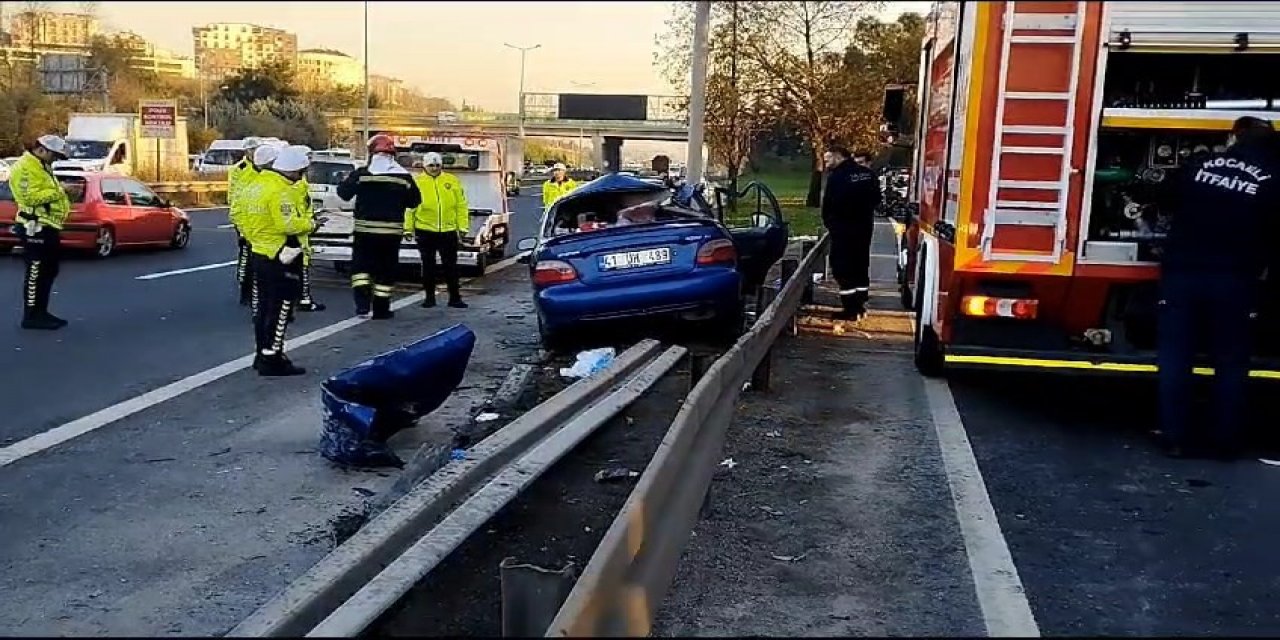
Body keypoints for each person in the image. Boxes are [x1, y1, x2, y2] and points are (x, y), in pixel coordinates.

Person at [1156, 116, 1280, 460]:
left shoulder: (1199, 164)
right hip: (1236, 279)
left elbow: (1163, 196)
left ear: (1234, 137)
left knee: (1176, 358)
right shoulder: (1274, 179)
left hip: (1183, 273)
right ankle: (1225, 443)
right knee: (1230, 362)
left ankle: (1175, 438)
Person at [241, 145, 316, 377]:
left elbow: (242, 218)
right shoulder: (279, 191)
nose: (302, 177)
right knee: (280, 307)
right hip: (280, 255)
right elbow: (288, 224)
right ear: (293, 171)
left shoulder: (254, 185)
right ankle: (272, 359)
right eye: (301, 172)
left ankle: (262, 354)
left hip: (259, 252)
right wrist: (312, 224)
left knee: (262, 308)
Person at [337, 134, 422, 319]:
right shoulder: (404, 177)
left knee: (361, 269)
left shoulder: (362, 174)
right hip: (391, 234)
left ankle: (362, 306)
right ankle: (381, 310)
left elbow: (343, 193)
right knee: (386, 271)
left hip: (364, 232)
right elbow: (415, 201)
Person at [11, 134, 71, 330]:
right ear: (42, 150)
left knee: (49, 271)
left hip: (48, 226)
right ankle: (31, 316)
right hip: (34, 227)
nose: (55, 160)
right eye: (55, 155)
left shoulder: (42, 167)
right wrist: (60, 191)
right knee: (36, 272)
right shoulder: (25, 167)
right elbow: (29, 197)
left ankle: (42, 312)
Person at [821, 145, 881, 320]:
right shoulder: (868, 174)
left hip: (843, 229)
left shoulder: (837, 177)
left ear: (839, 157)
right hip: (864, 228)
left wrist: (832, 223)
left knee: (842, 268)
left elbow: (830, 204)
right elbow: (876, 199)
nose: (826, 163)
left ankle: (850, 309)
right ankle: (861, 304)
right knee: (860, 265)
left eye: (828, 159)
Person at [406, 151, 469, 309]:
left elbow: (461, 205)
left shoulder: (451, 180)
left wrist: (462, 227)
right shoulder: (418, 182)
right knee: (428, 266)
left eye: (437, 165)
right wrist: (407, 229)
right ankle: (429, 298)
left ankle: (455, 298)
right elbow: (409, 208)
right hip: (425, 230)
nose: (434, 168)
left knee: (451, 266)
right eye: (431, 166)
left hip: (448, 230)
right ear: (424, 166)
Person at [235, 142, 284, 316]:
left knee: (260, 273)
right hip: (253, 230)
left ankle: (258, 305)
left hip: (261, 230)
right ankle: (248, 296)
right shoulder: (244, 173)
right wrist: (244, 231)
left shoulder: (275, 179)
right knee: (250, 265)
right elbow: (238, 202)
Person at [229, 137, 267, 306]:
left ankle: (258, 291)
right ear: (247, 152)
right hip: (244, 217)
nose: (254, 154)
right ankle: (245, 291)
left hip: (260, 217)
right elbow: (235, 195)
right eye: (251, 151)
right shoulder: (240, 169)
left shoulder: (264, 168)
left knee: (260, 257)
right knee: (246, 255)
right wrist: (240, 223)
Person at [288, 145, 325, 312]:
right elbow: (299, 208)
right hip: (299, 230)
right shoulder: (298, 184)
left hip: (301, 227)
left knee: (298, 267)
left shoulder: (297, 182)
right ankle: (303, 299)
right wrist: (311, 224)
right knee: (301, 267)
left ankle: (298, 299)